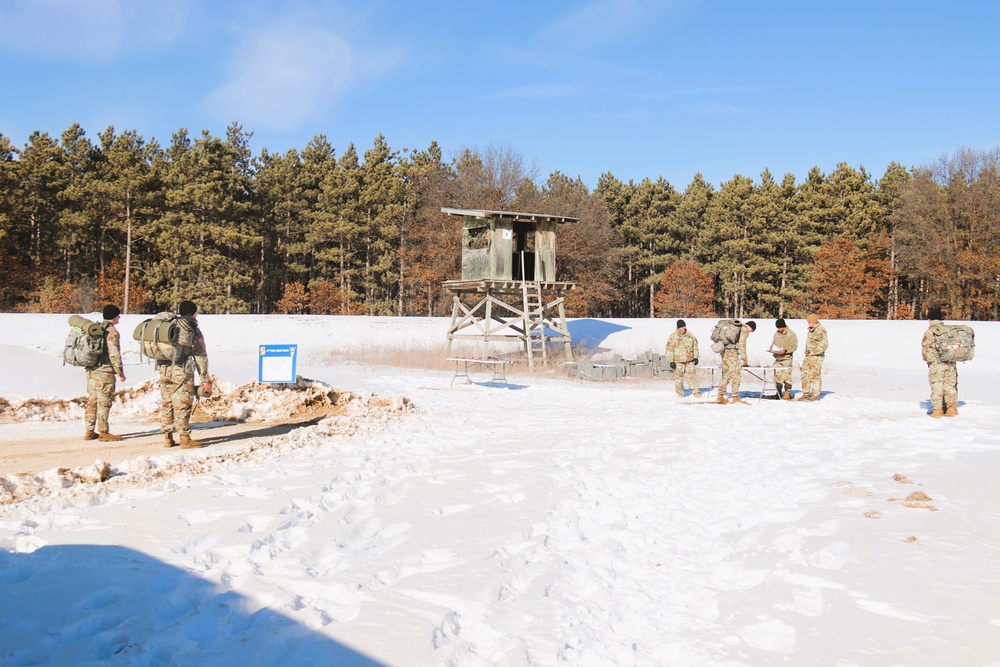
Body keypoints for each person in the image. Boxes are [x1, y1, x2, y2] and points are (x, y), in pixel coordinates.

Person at [159, 300, 211, 448]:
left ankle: (167, 437)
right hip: (181, 370)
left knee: (167, 401)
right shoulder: (191, 327)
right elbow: (200, 355)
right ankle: (184, 438)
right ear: (193, 312)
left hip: (164, 369)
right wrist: (205, 379)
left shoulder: (170, 324)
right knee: (183, 402)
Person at [84, 305, 127, 441]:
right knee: (104, 402)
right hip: (105, 372)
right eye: (118, 315)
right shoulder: (111, 332)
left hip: (92, 371)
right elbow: (114, 354)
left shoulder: (97, 328)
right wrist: (120, 372)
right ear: (113, 316)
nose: (119, 317)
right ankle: (103, 432)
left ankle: (89, 430)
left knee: (92, 401)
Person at [921, 307, 958, 418]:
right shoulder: (948, 330)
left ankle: (937, 410)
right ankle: (951, 409)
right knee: (950, 386)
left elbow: (926, 348)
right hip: (950, 363)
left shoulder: (930, 331)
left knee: (937, 386)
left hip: (937, 364)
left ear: (930, 319)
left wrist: (929, 360)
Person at [717, 320, 755, 404]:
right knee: (736, 375)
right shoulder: (744, 329)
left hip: (724, 352)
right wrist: (744, 358)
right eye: (751, 331)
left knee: (726, 374)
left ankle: (720, 395)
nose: (750, 332)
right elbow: (742, 344)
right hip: (733, 353)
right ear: (750, 327)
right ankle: (735, 397)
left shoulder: (734, 326)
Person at [665, 319, 701, 397]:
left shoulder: (690, 335)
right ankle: (680, 393)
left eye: (684, 326)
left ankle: (696, 392)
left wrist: (696, 357)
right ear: (678, 328)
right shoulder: (673, 336)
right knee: (679, 378)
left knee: (691, 376)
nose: (683, 328)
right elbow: (669, 349)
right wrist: (671, 361)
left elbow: (695, 346)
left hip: (689, 360)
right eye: (681, 327)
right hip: (678, 361)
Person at [798, 313, 828, 401]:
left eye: (810, 322)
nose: (808, 323)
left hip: (816, 357)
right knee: (805, 374)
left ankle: (815, 394)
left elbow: (824, 345)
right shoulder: (811, 330)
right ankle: (805, 393)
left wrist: (814, 352)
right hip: (808, 356)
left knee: (815, 375)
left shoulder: (821, 330)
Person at [768, 318, 798, 400]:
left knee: (786, 375)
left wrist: (786, 350)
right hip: (778, 358)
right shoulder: (776, 333)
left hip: (786, 358)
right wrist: (772, 347)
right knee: (777, 375)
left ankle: (787, 393)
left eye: (779, 328)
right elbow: (774, 342)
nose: (778, 329)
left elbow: (794, 346)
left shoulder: (791, 334)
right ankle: (778, 392)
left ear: (783, 326)